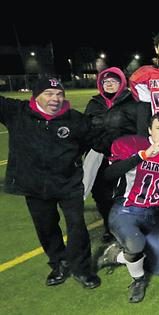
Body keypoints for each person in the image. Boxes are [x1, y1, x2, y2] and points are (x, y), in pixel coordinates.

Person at [0, 77, 100, 289]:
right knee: (46, 227)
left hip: (68, 184)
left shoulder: (75, 120)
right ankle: (59, 263)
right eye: (48, 93)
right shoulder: (16, 112)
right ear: (36, 95)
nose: (54, 99)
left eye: (59, 94)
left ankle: (82, 269)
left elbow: (98, 141)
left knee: (76, 226)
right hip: (33, 184)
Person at [98, 113, 159, 303]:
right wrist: (143, 156)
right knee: (135, 244)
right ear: (150, 130)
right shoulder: (132, 144)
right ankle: (138, 280)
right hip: (126, 210)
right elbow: (108, 175)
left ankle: (117, 255)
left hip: (152, 215)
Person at [84, 67, 151, 242]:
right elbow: (85, 128)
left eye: (114, 81)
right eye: (106, 82)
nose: (110, 84)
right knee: (100, 194)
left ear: (122, 82)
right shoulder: (94, 103)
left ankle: (128, 225)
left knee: (125, 192)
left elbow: (141, 129)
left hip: (124, 156)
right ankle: (109, 226)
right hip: (100, 155)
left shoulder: (132, 101)